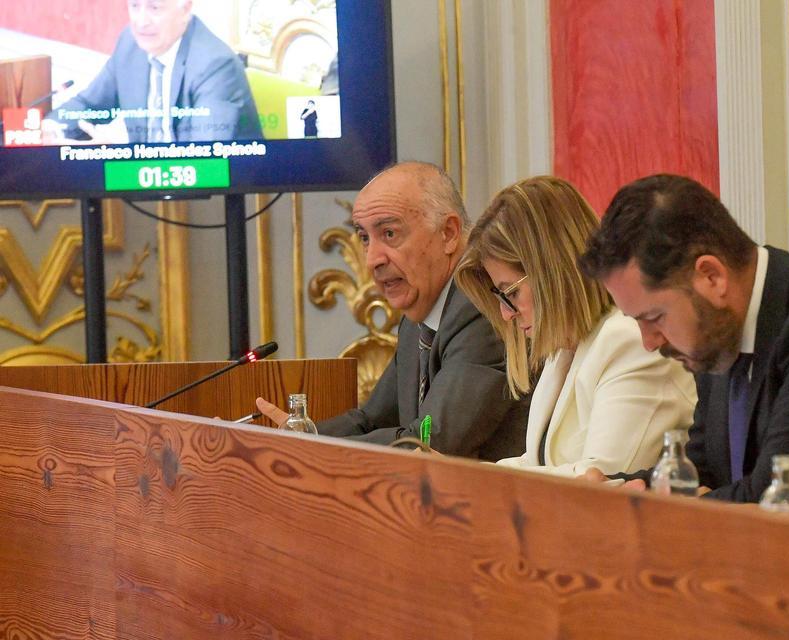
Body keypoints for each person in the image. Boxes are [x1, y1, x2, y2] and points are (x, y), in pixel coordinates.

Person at [577, 174, 789, 502]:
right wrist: (617, 492)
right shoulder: (715, 332)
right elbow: (701, 468)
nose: (649, 342)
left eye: (654, 318)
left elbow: (778, 495)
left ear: (711, 277)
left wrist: (655, 511)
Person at [256, 162, 528, 461]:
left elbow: (432, 442)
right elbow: (372, 420)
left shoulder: (484, 307)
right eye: (364, 237)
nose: (372, 259)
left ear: (449, 233)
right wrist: (297, 436)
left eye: (389, 233)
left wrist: (306, 447)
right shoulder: (420, 315)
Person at [454, 176, 697, 476]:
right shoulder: (566, 348)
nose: (506, 314)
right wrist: (462, 477)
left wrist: (475, 481)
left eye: (512, 293)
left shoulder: (628, 341)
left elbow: (603, 480)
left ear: (551, 274)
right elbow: (537, 463)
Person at [48, 0, 262, 143]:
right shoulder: (131, 45)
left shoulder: (215, 65)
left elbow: (204, 161)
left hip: (219, 203)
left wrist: (121, 160)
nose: (141, 22)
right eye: (134, 6)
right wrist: (52, 129)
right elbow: (89, 105)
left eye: (154, 8)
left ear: (185, 8)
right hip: (150, 197)